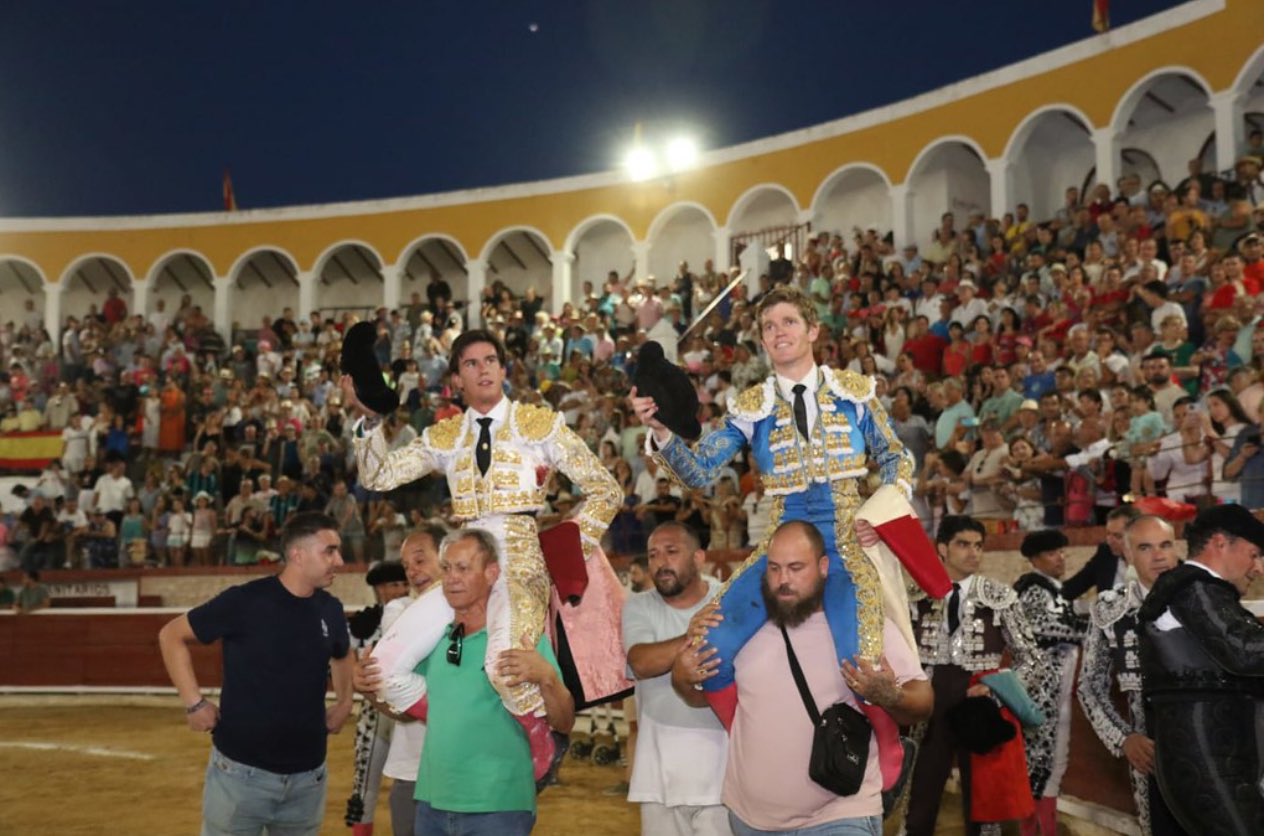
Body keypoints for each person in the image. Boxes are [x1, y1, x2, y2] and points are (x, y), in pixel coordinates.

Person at [629, 286, 919, 762]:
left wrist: (882, 512)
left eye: (788, 322)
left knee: (863, 665)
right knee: (709, 652)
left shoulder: (854, 391)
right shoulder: (751, 406)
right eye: (768, 327)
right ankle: (755, 747)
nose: (778, 332)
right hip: (781, 543)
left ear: (813, 330)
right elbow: (700, 471)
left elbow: (895, 457)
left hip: (846, 542)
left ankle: (888, 762)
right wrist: (661, 430)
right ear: (762, 342)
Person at [346, 328, 620, 780]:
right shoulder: (447, 435)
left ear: (503, 368)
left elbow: (605, 490)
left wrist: (568, 549)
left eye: (490, 359)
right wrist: (369, 422)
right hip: (462, 563)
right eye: (471, 363)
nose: (483, 369)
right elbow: (378, 476)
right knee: (381, 670)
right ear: (456, 379)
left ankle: (539, 735)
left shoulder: (541, 425)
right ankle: (469, 725)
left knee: (502, 665)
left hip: (519, 559)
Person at [670, 520, 932, 834]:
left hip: (839, 814)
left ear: (824, 566)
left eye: (796, 568)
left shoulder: (864, 625)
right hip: (748, 819)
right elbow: (706, 697)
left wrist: (892, 696)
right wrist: (680, 679)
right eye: (775, 569)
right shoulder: (740, 630)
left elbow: (924, 701)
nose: (784, 580)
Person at [357, 528, 574, 836]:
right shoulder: (432, 643)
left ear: (491, 573)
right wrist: (368, 689)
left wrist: (548, 677)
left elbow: (564, 721)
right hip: (432, 801)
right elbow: (405, 714)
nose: (451, 577)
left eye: (463, 568)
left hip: (499, 806)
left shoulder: (521, 641)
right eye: (446, 568)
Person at [157, 512, 354, 836]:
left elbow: (342, 654)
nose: (340, 561)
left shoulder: (329, 608)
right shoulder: (245, 601)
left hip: (308, 780)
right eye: (329, 551)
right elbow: (171, 635)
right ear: (297, 555)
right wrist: (193, 703)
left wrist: (345, 702)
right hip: (239, 776)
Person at [905, 516, 1040, 836]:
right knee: (918, 798)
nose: (973, 553)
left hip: (979, 703)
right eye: (963, 545)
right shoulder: (914, 594)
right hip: (927, 702)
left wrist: (996, 692)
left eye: (978, 546)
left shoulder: (999, 596)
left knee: (985, 803)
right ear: (942, 548)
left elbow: (1032, 660)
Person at [1139, 504, 1264, 836]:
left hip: (1213, 753)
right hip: (1209, 758)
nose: (1258, 569)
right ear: (1221, 543)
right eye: (1253, 554)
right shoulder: (1193, 587)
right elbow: (1246, 652)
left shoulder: (1196, 590)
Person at [622, 521, 729, 835]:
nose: (660, 563)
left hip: (723, 774)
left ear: (698, 558)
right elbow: (640, 662)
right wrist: (692, 632)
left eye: (671, 552)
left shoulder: (726, 600)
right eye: (653, 555)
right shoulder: (639, 606)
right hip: (658, 780)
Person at [1077, 514, 1180, 836]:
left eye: (1166, 545)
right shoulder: (1112, 608)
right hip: (1148, 747)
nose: (1159, 556)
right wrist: (1123, 737)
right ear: (1129, 555)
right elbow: (1089, 686)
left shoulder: (1204, 598)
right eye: (1146, 548)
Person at [1014, 530, 1087, 836]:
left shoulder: (1051, 590)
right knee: (1040, 766)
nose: (1061, 557)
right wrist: (1092, 628)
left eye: (1061, 551)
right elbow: (1047, 627)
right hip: (1040, 694)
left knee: (1050, 765)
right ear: (1034, 560)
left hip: (1051, 693)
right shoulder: (1034, 589)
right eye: (1052, 553)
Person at [345, 560, 411, 836]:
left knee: (413, 782)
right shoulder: (362, 624)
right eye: (393, 585)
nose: (401, 590)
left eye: (404, 583)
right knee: (365, 786)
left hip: (411, 714)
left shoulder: (419, 615)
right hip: (375, 713)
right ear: (379, 589)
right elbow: (349, 666)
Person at [1062, 504, 1140, 602]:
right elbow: (1075, 586)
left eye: (1117, 536)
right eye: (1108, 534)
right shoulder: (1106, 553)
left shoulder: (1152, 558)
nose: (1110, 541)